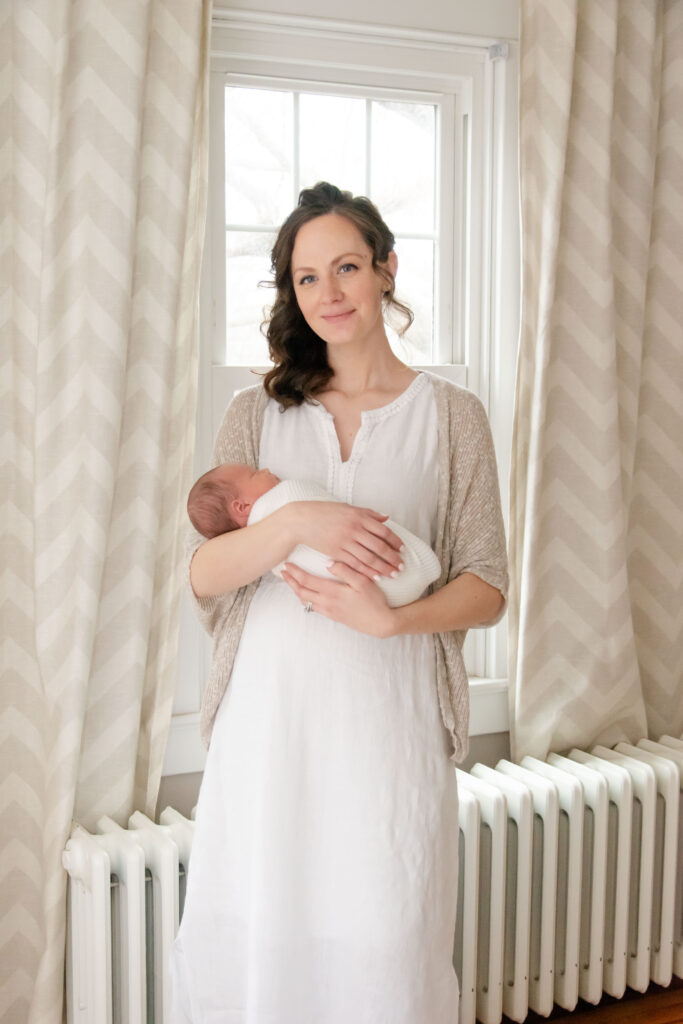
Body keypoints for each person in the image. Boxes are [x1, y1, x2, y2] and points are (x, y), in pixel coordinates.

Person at [169, 181, 508, 1024]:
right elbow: (204, 575)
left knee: (386, 936)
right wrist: (298, 523)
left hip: (387, 726)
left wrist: (392, 618)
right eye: (305, 277)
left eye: (347, 267)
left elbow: (487, 587)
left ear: (387, 269)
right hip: (267, 726)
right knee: (258, 939)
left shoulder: (453, 417)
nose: (328, 294)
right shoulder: (256, 413)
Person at [186, 461, 442, 607]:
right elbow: (198, 573)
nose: (264, 469)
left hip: (392, 611)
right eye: (254, 474)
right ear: (241, 507)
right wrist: (295, 519)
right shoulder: (282, 499)